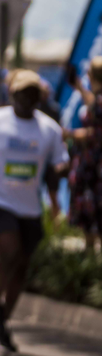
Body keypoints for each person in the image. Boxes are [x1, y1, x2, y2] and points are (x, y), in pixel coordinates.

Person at [0, 69, 70, 356]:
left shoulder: (49, 129)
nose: (28, 99)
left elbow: (61, 160)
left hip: (30, 207)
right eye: (23, 93)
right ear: (12, 95)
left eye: (34, 94)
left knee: (21, 267)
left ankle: (1, 322)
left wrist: (60, 170)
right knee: (9, 252)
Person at [67, 57, 102, 254]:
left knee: (92, 210)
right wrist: (79, 88)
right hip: (93, 164)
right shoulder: (97, 99)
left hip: (93, 166)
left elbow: (96, 134)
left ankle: (91, 264)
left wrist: (68, 134)